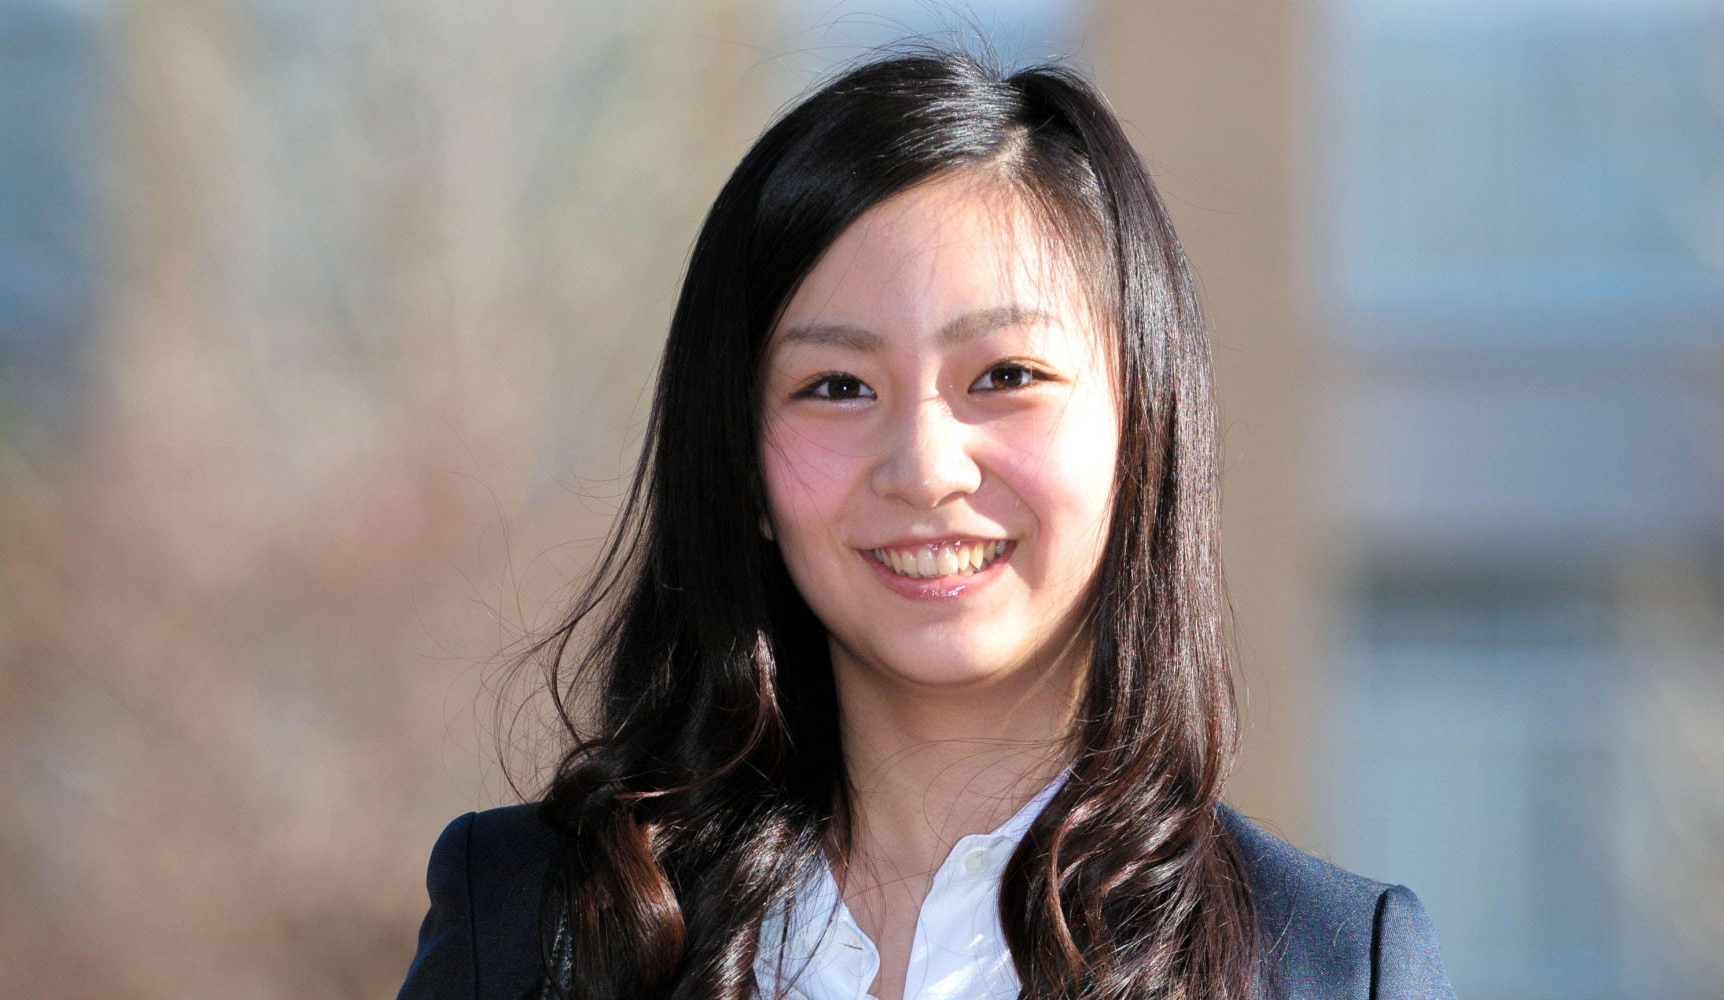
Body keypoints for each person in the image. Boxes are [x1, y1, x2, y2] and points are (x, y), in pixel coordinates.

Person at [396, 49, 1456, 1000]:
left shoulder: (1329, 967)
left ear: (1143, 429)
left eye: (1006, 375)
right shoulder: (531, 922)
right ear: (742, 465)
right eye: (836, 386)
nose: (923, 468)